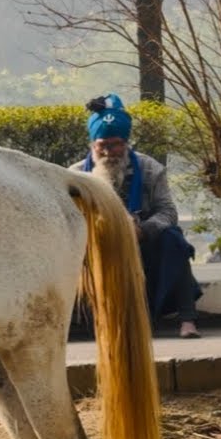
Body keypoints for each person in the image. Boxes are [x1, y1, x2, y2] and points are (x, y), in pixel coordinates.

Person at [72, 93, 202, 338]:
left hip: (142, 241)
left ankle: (188, 320)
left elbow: (168, 212)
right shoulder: (77, 175)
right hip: (98, 246)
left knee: (174, 240)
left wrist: (142, 229)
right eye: (103, 146)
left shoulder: (149, 168)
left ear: (126, 143)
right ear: (93, 145)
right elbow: (69, 219)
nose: (110, 152)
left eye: (116, 144)